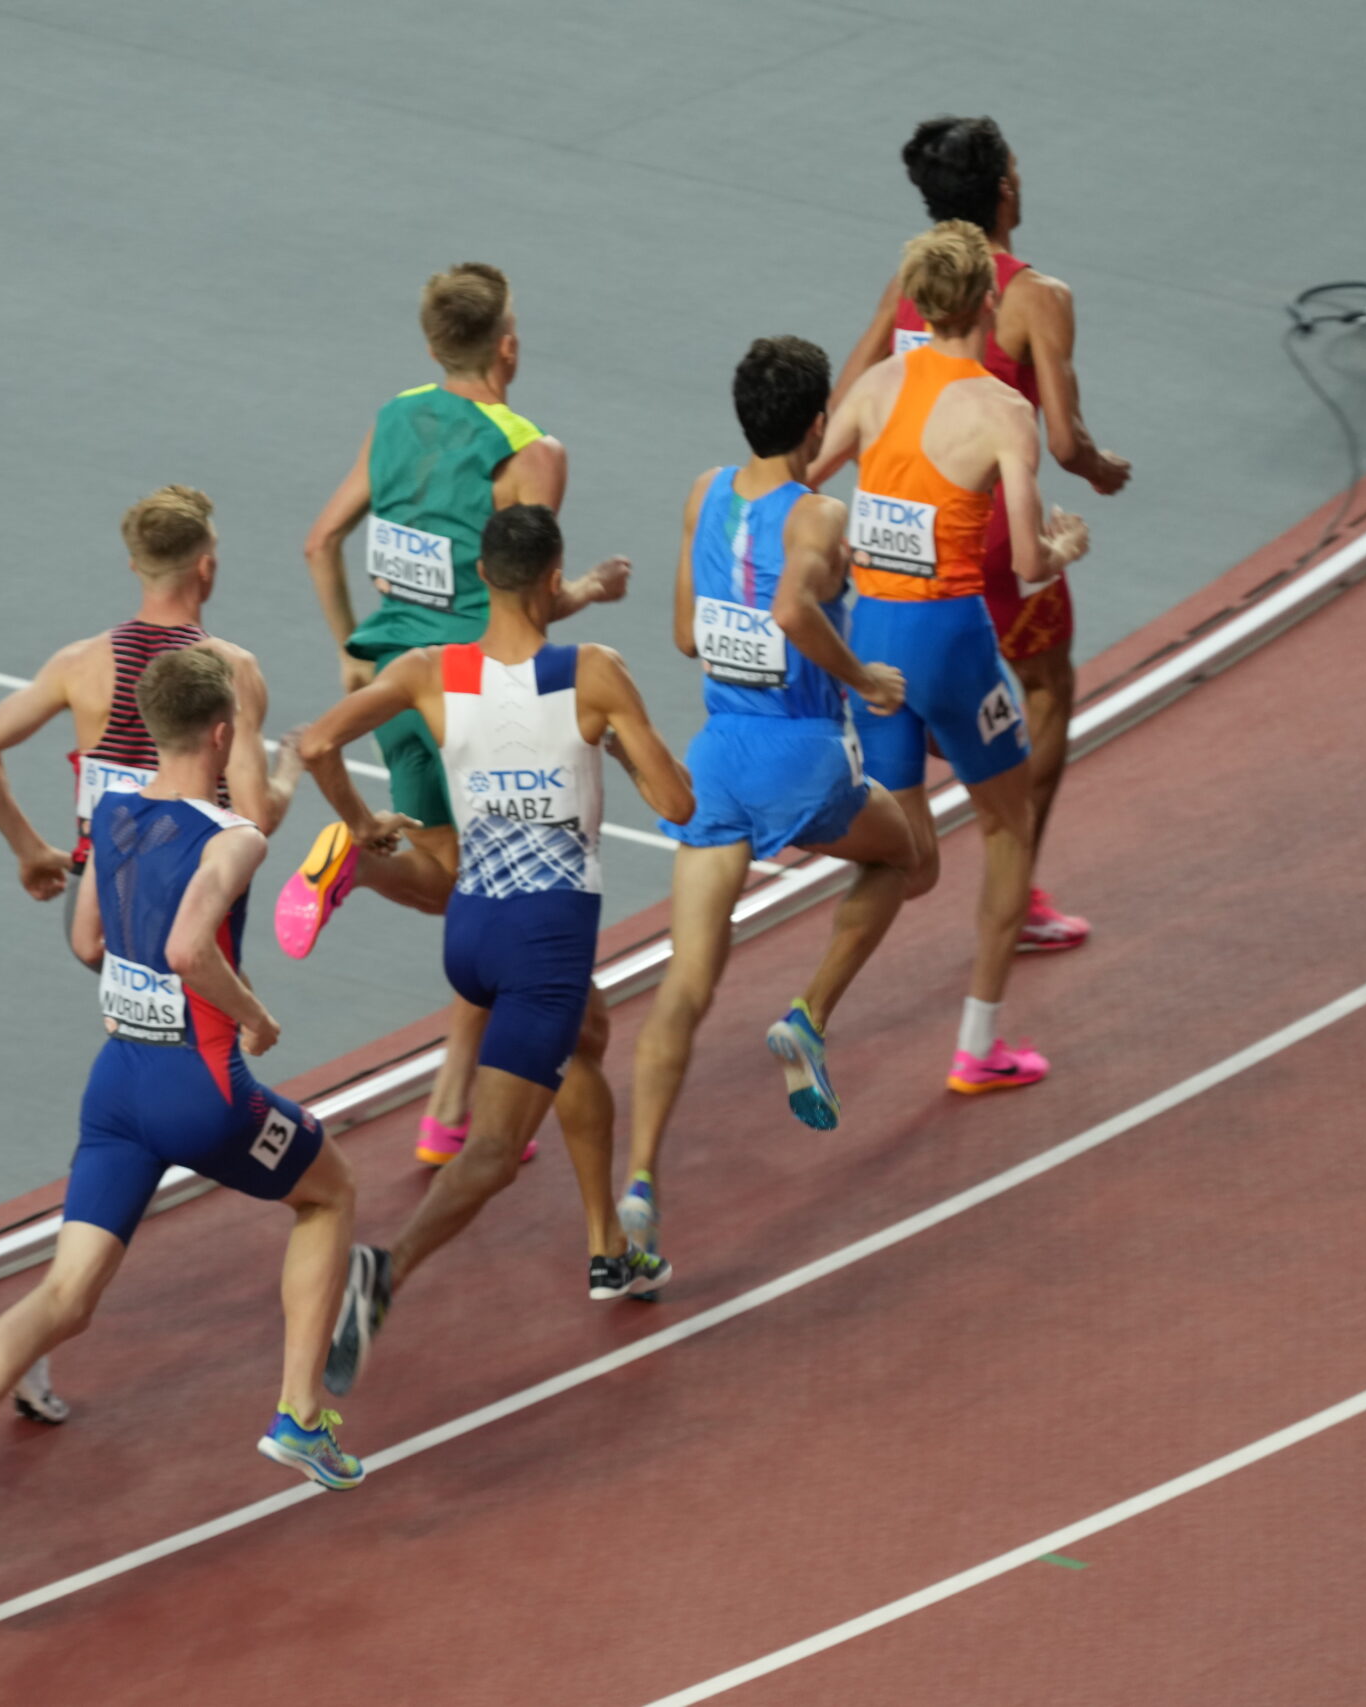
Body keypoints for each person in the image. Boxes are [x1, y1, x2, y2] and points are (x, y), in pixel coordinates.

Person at [0, 647, 364, 1574]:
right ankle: (300, 1415)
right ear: (222, 734)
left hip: (118, 1085)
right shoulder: (235, 837)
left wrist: (143, 982)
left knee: (67, 1296)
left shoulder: (110, 814)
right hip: (203, 1093)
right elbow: (191, 946)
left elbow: (86, 940)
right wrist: (254, 1015)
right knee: (330, 1193)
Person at [300, 506, 694, 1395]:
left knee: (587, 1036)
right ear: (556, 582)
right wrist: (617, 748)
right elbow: (676, 803)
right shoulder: (592, 671)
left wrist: (363, 827)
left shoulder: (428, 669)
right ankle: (386, 1271)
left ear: (481, 576)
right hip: (544, 935)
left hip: (472, 924)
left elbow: (316, 741)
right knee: (490, 1153)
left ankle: (607, 1250)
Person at [289, 261, 628, 1169]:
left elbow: (321, 540)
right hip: (479, 697)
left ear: (435, 345)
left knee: (472, 891)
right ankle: (352, 865)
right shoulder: (533, 451)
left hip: (396, 683)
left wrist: (350, 650)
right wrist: (590, 590)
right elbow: (528, 601)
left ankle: (447, 1110)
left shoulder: (396, 414)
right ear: (507, 346)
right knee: (476, 892)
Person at [620, 337, 930, 1260]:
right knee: (907, 855)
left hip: (716, 756)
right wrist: (864, 675)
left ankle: (639, 1182)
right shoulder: (821, 516)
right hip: (804, 757)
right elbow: (797, 611)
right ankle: (807, 1015)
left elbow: (684, 634)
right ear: (817, 423)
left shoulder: (704, 492)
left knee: (685, 984)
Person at [821, 116, 1132, 953]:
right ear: (1005, 191)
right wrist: (1103, 470)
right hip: (997, 529)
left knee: (914, 679)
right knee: (1045, 689)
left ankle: (901, 833)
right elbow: (1063, 443)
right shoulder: (1036, 295)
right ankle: (1016, 882)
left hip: (904, 522)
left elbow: (850, 384)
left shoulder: (916, 278)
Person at [811, 222, 1090, 1094]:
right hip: (950, 639)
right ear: (989, 301)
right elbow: (1026, 562)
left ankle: (809, 1012)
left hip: (871, 637)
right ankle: (979, 1046)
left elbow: (811, 476)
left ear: (918, 304)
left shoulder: (875, 388)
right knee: (1006, 830)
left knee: (906, 860)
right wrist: (1066, 543)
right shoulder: (1004, 412)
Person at [0, 484, 296, 910]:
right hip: (186, 898)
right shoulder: (232, 669)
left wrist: (30, 849)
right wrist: (289, 772)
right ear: (206, 567)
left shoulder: (77, 663)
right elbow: (256, 816)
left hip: (95, 903)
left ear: (134, 566)